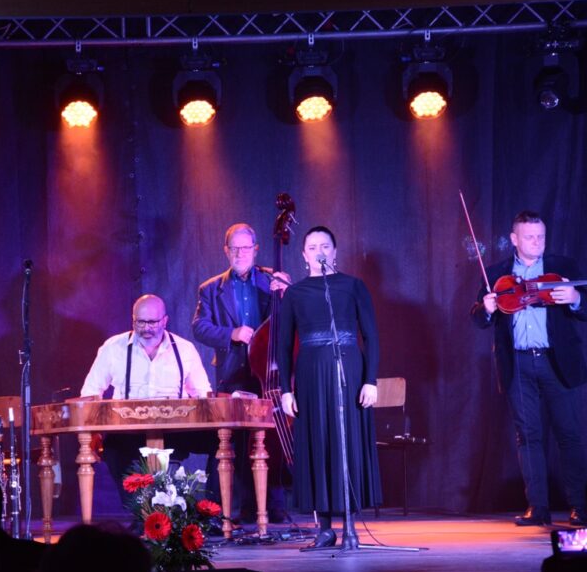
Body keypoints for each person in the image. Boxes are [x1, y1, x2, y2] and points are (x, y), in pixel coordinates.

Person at [472, 211, 587, 527]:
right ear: (514, 239)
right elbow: (478, 317)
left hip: (556, 361)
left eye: (541, 236)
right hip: (518, 362)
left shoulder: (562, 268)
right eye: (530, 237)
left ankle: (579, 506)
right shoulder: (497, 273)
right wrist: (487, 309)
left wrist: (575, 297)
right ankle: (537, 507)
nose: (537, 242)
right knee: (528, 436)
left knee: (569, 434)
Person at [278, 225, 382, 549]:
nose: (319, 252)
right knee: (318, 442)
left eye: (325, 246)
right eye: (312, 247)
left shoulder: (353, 286)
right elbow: (283, 346)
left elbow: (371, 336)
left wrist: (370, 380)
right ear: (303, 254)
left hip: (348, 370)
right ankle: (324, 527)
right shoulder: (294, 293)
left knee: (348, 440)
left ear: (334, 251)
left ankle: (350, 522)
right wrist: (285, 389)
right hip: (310, 374)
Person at [192, 222, 290, 523]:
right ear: (226, 251)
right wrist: (231, 333)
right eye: (234, 248)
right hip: (232, 372)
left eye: (246, 248)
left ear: (255, 249)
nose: (240, 253)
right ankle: (227, 509)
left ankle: (272, 505)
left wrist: (288, 293)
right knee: (230, 442)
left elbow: (293, 319)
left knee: (270, 438)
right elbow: (199, 327)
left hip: (269, 372)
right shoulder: (210, 288)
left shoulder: (273, 280)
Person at [80, 294, 213, 498]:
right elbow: (90, 392)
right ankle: (141, 508)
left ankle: (214, 507)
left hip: (177, 431)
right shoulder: (113, 348)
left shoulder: (185, 349)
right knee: (112, 450)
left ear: (165, 321)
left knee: (223, 442)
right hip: (128, 432)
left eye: (152, 322)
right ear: (133, 319)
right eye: (140, 322)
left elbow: (203, 393)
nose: (146, 328)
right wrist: (93, 433)